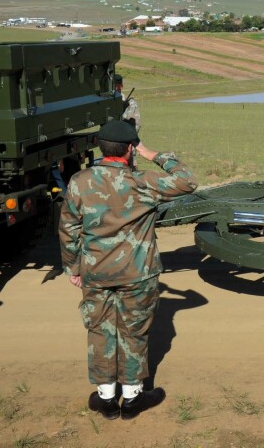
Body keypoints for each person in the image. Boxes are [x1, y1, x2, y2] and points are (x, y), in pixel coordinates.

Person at [59, 120, 197, 420]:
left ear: (101, 147)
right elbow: (187, 181)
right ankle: (132, 398)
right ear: (130, 149)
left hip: (95, 272)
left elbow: (68, 228)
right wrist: (155, 154)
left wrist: (73, 266)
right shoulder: (143, 181)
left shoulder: (79, 182)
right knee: (134, 332)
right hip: (138, 274)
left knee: (99, 329)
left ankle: (106, 398)